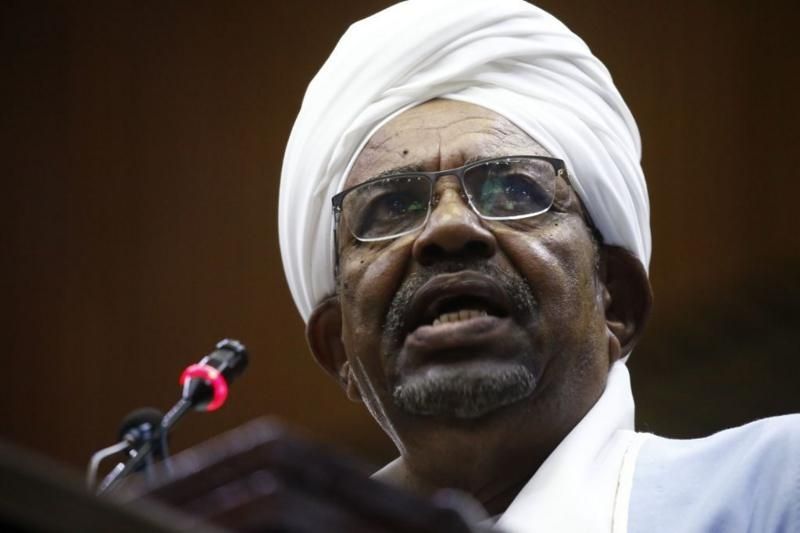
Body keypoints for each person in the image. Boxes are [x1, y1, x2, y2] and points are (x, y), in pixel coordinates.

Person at [133, 1, 799, 531]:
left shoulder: (773, 487)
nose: (449, 228)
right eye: (390, 206)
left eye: (512, 189)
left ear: (616, 300)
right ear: (339, 347)